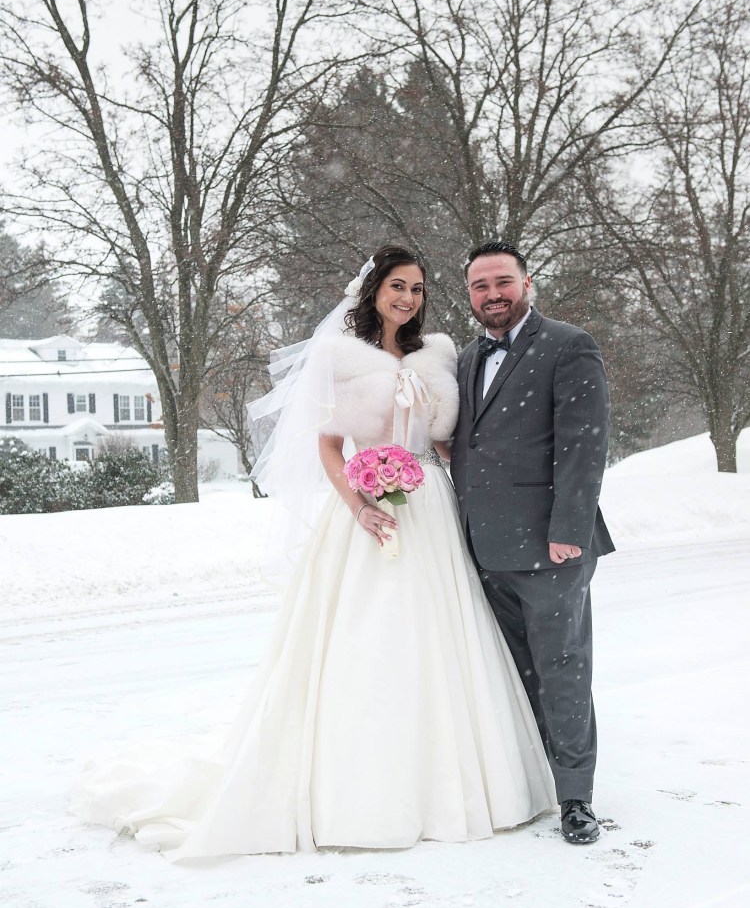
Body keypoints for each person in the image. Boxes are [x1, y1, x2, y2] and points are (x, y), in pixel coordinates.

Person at [72, 245, 555, 859]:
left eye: (416, 289)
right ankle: (363, 789)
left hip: (432, 507)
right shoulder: (338, 356)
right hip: (367, 507)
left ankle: (454, 781)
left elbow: (452, 440)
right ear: (373, 290)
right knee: (369, 639)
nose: (407, 299)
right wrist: (360, 502)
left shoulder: (440, 353)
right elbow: (330, 444)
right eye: (397, 287)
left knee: (443, 639)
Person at [450, 241, 615, 845]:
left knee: (562, 668)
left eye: (502, 281)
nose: (492, 294)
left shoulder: (568, 346)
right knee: (514, 673)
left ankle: (576, 797)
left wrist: (569, 531)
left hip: (552, 549)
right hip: (485, 547)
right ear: (468, 294)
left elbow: (584, 444)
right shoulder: (467, 357)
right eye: (479, 285)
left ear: (525, 282)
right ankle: (536, 780)